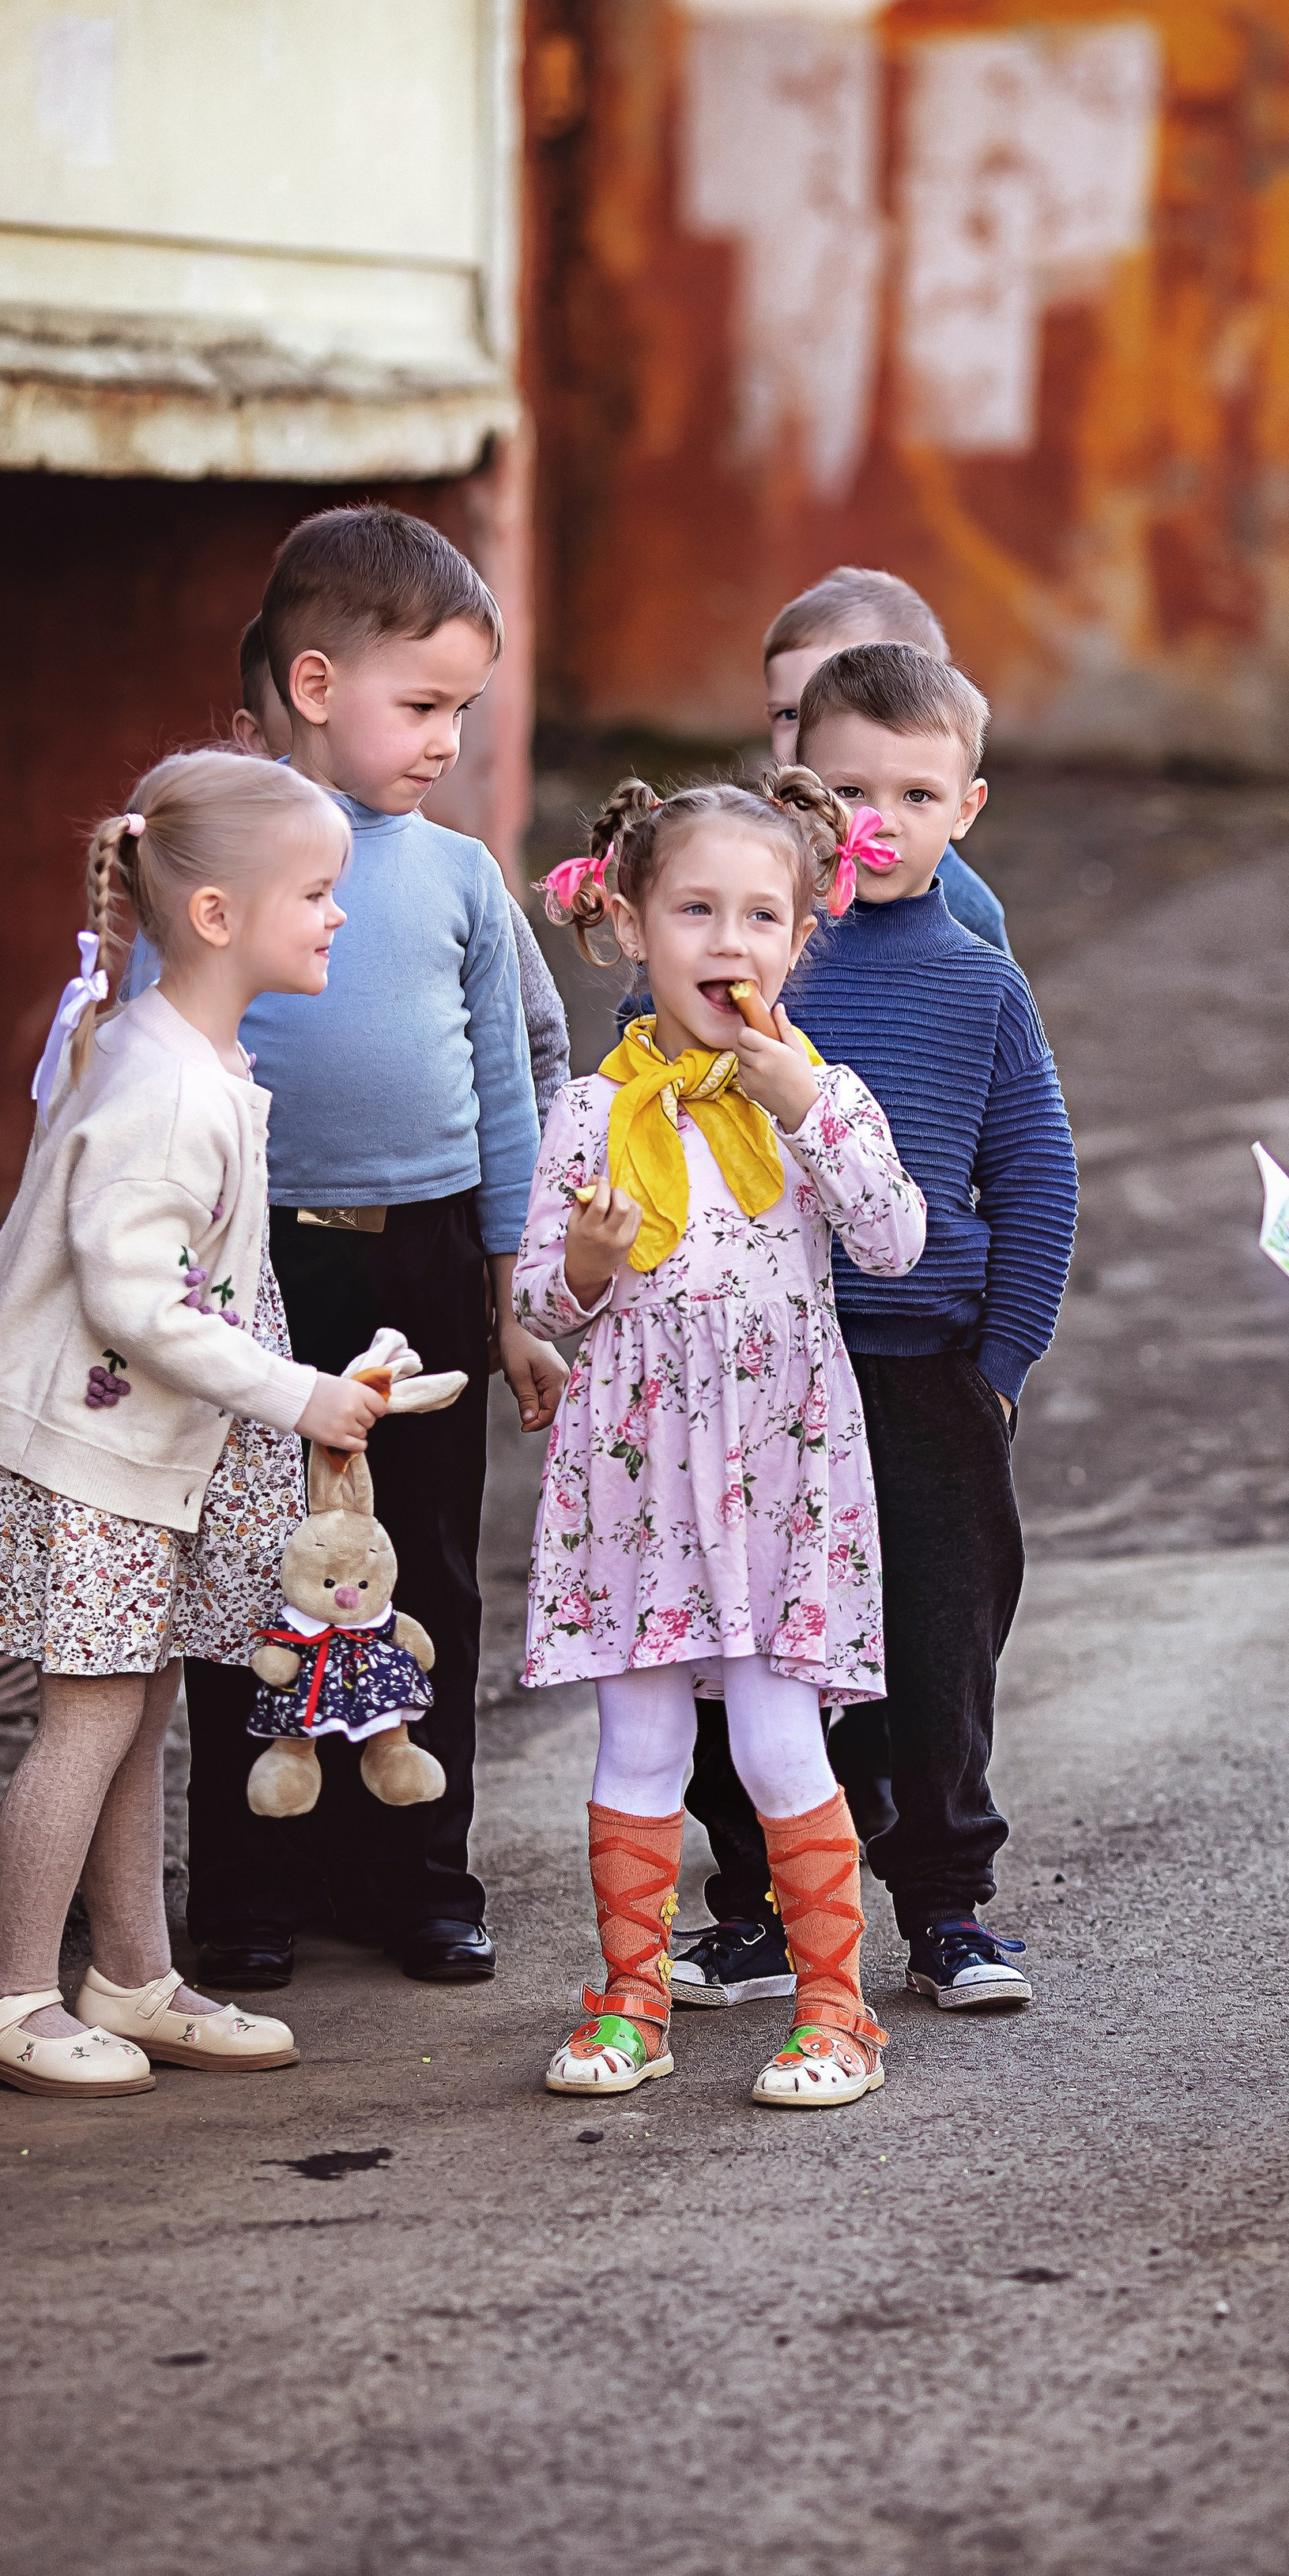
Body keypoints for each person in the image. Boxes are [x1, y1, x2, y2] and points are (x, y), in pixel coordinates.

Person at [0, 748, 389, 2098]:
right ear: (215, 914)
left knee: (137, 1705)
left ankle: (132, 1975)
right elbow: (137, 1299)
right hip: (83, 1453)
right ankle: (5, 1994)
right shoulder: (163, 1083)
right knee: (89, 1719)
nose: (339, 914)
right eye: (317, 892)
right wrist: (301, 1391)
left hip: (136, 1453)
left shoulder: (185, 1046)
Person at [180, 506, 560, 1997]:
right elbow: (155, 1056)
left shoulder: (459, 877)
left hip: (424, 1272)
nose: (446, 742)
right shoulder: (213, 854)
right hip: (255, 1275)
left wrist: (517, 1291)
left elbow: (515, 1083)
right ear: (320, 683)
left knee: (424, 1578)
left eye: (464, 711)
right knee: (256, 1578)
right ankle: (251, 1888)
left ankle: (418, 1875)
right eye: (423, 706)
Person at [676, 642, 1079, 2015]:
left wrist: (997, 1368)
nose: (877, 819)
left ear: (966, 807)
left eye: (915, 792)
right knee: (744, 1653)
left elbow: (1034, 1180)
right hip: (752, 1382)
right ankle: (758, 1905)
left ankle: (947, 1908)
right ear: (794, 793)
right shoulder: (730, 974)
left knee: (934, 1647)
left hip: (924, 1375)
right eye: (846, 787)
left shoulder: (978, 984)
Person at [515, 772, 926, 2108]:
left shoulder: (825, 1099)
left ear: (799, 939)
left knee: (770, 1742)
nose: (727, 941)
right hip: (635, 1474)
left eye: (760, 915)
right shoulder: (589, 1113)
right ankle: (629, 1999)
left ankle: (835, 2010)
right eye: (694, 908)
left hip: (777, 1474)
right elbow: (536, 1304)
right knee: (634, 1742)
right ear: (629, 926)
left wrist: (803, 1103)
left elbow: (893, 1240)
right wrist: (578, 1267)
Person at [228, 609, 571, 1125]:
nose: (445, 743)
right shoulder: (220, 879)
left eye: (453, 711)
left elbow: (537, 1045)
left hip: (437, 1198)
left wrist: (543, 1186)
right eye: (295, 731)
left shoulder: (461, 878)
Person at [763, 568, 1008, 951]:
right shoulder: (757, 857)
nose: (802, 742)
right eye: (790, 715)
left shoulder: (966, 911)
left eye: (839, 708)